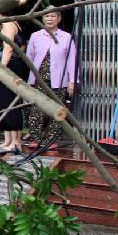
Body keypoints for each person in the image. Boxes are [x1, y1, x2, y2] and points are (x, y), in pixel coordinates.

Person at [25, 10, 77, 147]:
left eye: (53, 16)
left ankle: (52, 140)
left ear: (58, 19)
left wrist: (72, 81)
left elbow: (72, 60)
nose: (49, 18)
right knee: (37, 109)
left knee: (57, 110)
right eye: (47, 16)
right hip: (39, 79)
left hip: (59, 80)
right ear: (42, 19)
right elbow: (29, 57)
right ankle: (36, 138)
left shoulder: (66, 37)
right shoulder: (36, 36)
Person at [0, 17, 29, 154]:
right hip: (5, 65)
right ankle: (7, 140)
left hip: (9, 67)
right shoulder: (8, 24)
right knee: (2, 103)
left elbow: (8, 48)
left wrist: (1, 70)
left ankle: (16, 142)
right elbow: (23, 45)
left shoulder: (8, 24)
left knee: (10, 103)